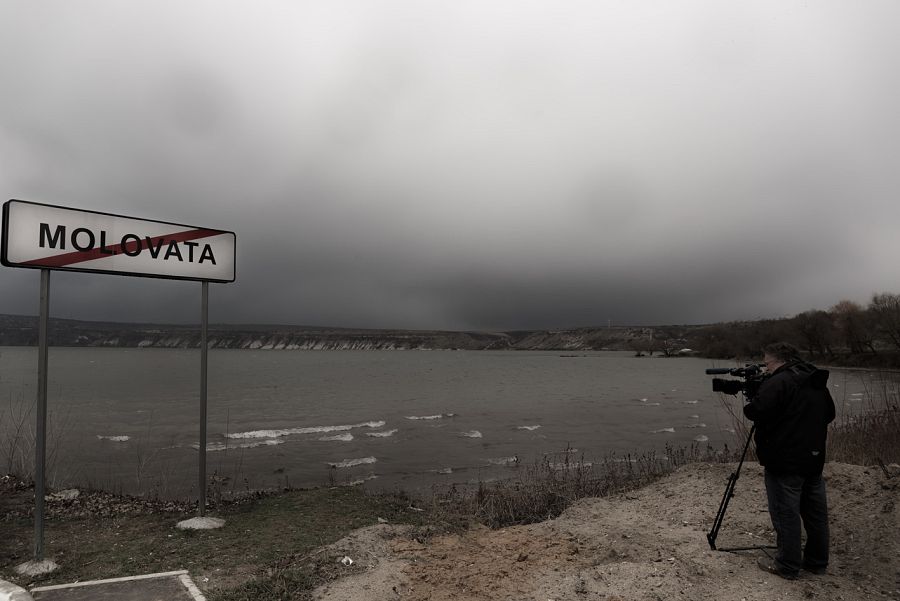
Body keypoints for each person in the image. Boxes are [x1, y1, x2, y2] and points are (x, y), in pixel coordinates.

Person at [743, 342, 836, 580]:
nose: (766, 368)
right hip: (813, 458)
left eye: (767, 363)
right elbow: (830, 414)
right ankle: (817, 562)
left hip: (784, 460)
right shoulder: (814, 379)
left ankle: (787, 565)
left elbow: (755, 411)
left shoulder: (780, 381)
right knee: (815, 514)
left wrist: (755, 395)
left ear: (778, 360)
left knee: (786, 513)